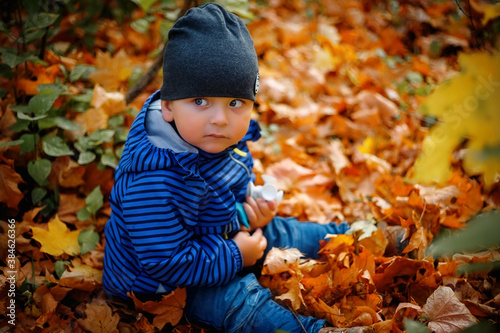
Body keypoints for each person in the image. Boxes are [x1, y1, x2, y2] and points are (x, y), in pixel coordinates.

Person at [103, 3, 370, 333]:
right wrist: (234, 255)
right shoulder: (152, 180)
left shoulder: (210, 137)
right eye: (200, 101)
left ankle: (355, 236)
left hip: (215, 241)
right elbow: (164, 262)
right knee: (240, 301)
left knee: (280, 232)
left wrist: (246, 215)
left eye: (235, 103)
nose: (220, 118)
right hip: (160, 286)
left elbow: (218, 198)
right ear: (169, 106)